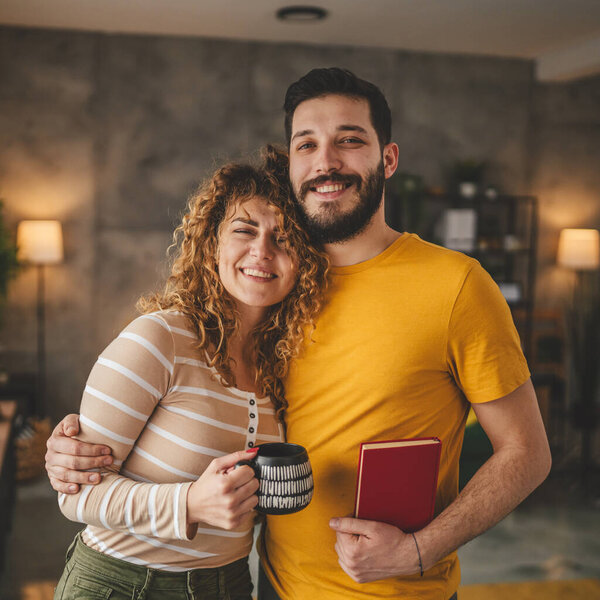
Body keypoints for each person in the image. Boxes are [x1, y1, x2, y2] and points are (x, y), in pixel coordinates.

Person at [46, 68, 551, 600]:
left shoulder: (457, 285)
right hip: (269, 588)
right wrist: (76, 449)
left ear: (389, 158)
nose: (326, 161)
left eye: (350, 140)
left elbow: (526, 452)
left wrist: (418, 550)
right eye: (307, 144)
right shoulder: (278, 298)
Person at [49, 146, 329, 600]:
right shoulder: (159, 340)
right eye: (244, 230)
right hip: (119, 584)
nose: (262, 251)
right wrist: (189, 504)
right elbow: (75, 495)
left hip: (230, 583)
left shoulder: (282, 363)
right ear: (212, 243)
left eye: (283, 238)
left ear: (303, 260)